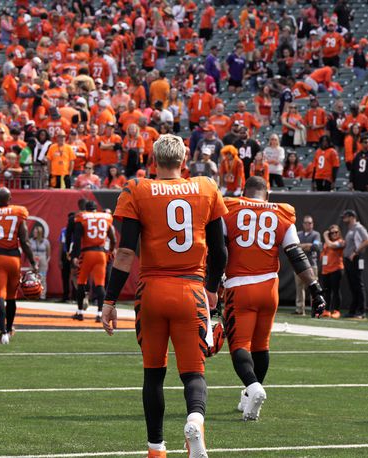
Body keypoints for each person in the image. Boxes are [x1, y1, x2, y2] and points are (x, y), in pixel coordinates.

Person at [103, 134, 228, 458]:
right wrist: (212, 290)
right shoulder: (206, 187)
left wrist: (109, 300)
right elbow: (220, 251)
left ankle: (156, 448)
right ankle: (195, 420)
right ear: (184, 161)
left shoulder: (138, 189)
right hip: (191, 289)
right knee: (193, 371)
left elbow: (125, 254)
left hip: (152, 292)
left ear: (153, 160)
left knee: (153, 374)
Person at [222, 177, 326, 422]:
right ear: (267, 195)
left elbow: (220, 250)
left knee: (239, 346)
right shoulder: (282, 213)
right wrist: (315, 287)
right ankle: (249, 396)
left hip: (240, 286)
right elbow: (296, 255)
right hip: (269, 288)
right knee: (261, 346)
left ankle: (253, 387)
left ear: (243, 192)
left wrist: (213, 283)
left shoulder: (231, 208)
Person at [0, 188, 38, 344]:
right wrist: (32, 262)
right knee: (11, 297)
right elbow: (24, 241)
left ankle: (3, 333)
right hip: (13, 258)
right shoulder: (18, 213)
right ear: (10, 199)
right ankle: (9, 329)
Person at [71, 200, 116, 322]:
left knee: (81, 282)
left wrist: (75, 255)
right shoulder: (105, 218)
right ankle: (100, 314)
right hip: (101, 253)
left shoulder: (83, 218)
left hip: (87, 253)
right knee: (100, 285)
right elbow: (113, 238)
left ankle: (80, 312)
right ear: (96, 209)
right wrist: (110, 251)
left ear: (86, 209)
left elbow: (77, 238)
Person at [341, 209, 368, 319]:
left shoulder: (359, 228)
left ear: (352, 217)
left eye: (345, 216)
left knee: (358, 285)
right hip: (349, 260)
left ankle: (361, 311)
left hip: (355, 259)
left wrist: (355, 252)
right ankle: (353, 311)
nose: (344, 219)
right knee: (353, 285)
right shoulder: (351, 229)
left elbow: (367, 240)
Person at [294, 215, 321, 315]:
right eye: (306, 223)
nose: (308, 225)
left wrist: (302, 246)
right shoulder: (298, 234)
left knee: (313, 287)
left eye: (310, 223)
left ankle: (315, 309)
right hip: (299, 265)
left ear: (312, 224)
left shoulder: (316, 234)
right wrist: (307, 245)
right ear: (303, 224)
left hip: (311, 265)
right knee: (299, 288)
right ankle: (299, 310)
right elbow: (294, 247)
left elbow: (315, 247)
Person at [321, 224, 345, 319]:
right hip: (326, 270)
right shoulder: (326, 243)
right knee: (327, 291)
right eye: (332, 232)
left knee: (336, 291)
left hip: (336, 269)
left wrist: (325, 236)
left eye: (336, 232)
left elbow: (332, 245)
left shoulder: (341, 242)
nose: (334, 234)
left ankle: (336, 310)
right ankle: (326, 310)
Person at [28, 223, 51, 300]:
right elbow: (29, 251)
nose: (34, 233)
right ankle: (33, 294)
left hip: (43, 259)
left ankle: (42, 295)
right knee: (32, 277)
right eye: (34, 232)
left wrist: (46, 261)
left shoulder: (45, 241)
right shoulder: (31, 241)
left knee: (42, 277)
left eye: (36, 232)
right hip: (33, 259)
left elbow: (48, 252)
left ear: (40, 233)